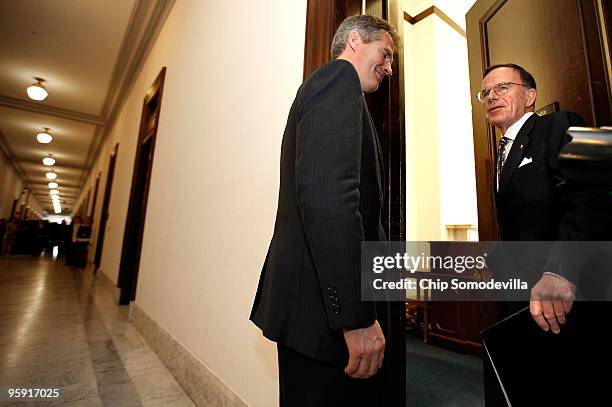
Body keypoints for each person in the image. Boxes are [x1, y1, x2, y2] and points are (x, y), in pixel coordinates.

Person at [250, 15, 399, 406]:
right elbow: (328, 199)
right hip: (323, 322)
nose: (389, 66)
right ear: (354, 41)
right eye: (385, 53)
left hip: (315, 316)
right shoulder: (338, 79)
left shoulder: (345, 97)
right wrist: (355, 318)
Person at [479, 63, 611, 405]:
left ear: (530, 96)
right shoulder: (498, 154)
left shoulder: (563, 123)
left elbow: (595, 194)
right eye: (485, 93)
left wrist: (559, 270)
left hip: (569, 294)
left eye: (503, 87)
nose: (492, 97)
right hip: (521, 297)